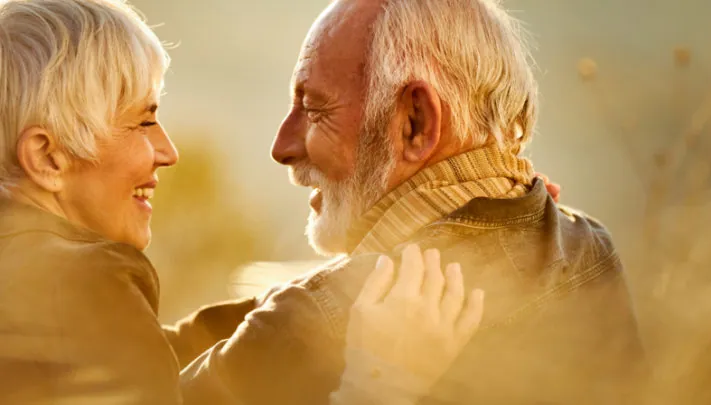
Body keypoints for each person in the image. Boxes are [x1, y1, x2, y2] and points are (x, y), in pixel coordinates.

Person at [0, 1, 484, 404]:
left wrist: (327, 292)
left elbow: (161, 352)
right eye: (143, 121)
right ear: (47, 157)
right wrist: (382, 381)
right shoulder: (86, 282)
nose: (168, 151)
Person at [176, 0, 647, 404]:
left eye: (314, 108)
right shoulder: (589, 248)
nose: (282, 146)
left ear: (415, 122)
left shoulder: (320, 319)